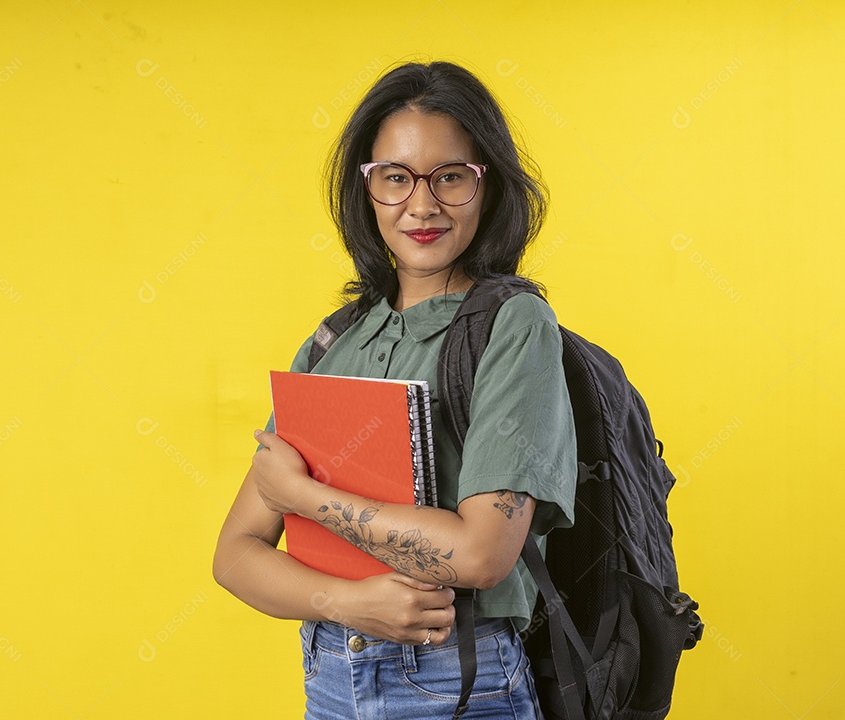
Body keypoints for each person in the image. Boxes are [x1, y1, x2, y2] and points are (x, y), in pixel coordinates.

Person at [213, 60, 577, 719]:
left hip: (456, 680)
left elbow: (480, 554)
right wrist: (348, 603)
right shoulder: (332, 341)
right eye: (396, 177)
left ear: (487, 185)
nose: (423, 205)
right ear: (367, 189)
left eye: (450, 177)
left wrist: (302, 496)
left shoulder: (514, 324)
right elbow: (235, 557)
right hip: (331, 676)